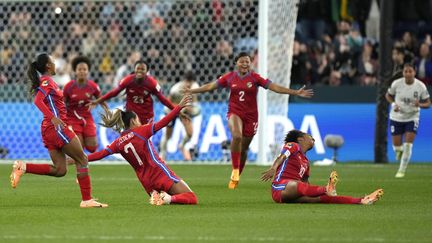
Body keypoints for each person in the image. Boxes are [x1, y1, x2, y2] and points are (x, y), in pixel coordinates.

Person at [185, 52, 314, 189]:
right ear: (236, 63)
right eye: (242, 61)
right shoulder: (229, 77)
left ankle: (237, 176)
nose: (245, 64)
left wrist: (294, 92)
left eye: (247, 61)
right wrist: (193, 91)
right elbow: (211, 86)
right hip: (234, 112)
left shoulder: (255, 78)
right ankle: (234, 170)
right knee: (236, 136)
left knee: (244, 149)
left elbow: (274, 87)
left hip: (251, 117)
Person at [10, 53, 108, 208]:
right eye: (53, 62)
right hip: (57, 128)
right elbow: (38, 100)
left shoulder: (49, 82)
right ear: (48, 66)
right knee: (82, 158)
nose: (55, 64)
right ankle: (87, 199)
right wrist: (53, 117)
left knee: (60, 170)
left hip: (50, 130)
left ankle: (23, 166)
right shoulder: (47, 81)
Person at [71, 94, 198, 205]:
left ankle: (161, 195)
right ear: (132, 121)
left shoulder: (118, 143)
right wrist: (179, 107)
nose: (139, 121)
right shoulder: (142, 131)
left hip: (146, 183)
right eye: (137, 119)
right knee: (191, 197)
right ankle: (168, 198)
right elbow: (164, 122)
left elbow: (100, 154)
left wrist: (79, 158)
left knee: (173, 198)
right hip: (160, 172)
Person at [261, 130, 384, 204]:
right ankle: (326, 188)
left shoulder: (306, 162)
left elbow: (306, 184)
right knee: (298, 185)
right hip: (280, 187)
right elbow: (282, 156)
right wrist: (273, 167)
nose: (313, 139)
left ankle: (362, 200)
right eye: (310, 136)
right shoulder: (293, 146)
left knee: (324, 198)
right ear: (300, 139)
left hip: (293, 192)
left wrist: (313, 194)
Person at [88, 60, 175, 125]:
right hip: (131, 114)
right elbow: (114, 93)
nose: (140, 71)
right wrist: (97, 101)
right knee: (129, 137)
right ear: (134, 69)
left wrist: (176, 110)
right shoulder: (128, 80)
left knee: (144, 140)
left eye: (143, 69)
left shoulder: (152, 83)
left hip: (146, 115)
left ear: (147, 71)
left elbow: (163, 99)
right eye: (138, 68)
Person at [385, 63, 431, 178]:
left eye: (410, 71)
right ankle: (398, 151)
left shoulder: (420, 86)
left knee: (408, 145)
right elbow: (388, 95)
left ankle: (401, 170)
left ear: (414, 73)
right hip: (397, 117)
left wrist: (419, 104)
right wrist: (394, 103)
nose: (408, 74)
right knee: (397, 147)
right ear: (403, 73)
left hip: (412, 117)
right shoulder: (397, 84)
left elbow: (428, 103)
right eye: (406, 71)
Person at [63, 56, 108, 153]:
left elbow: (101, 100)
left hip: (87, 117)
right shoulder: (68, 87)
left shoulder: (93, 86)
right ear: (75, 71)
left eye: (84, 69)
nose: (82, 71)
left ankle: (83, 137)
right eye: (79, 69)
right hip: (72, 118)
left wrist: (108, 112)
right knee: (78, 148)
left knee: (92, 148)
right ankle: (80, 163)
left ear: (88, 71)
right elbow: (61, 103)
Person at [159, 71, 201, 161]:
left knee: (190, 133)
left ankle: (182, 145)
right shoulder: (176, 89)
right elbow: (168, 102)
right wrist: (179, 108)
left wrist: (189, 108)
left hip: (184, 110)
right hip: (171, 110)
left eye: (191, 82)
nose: (189, 84)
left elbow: (193, 102)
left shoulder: (195, 87)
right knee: (168, 135)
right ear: (184, 81)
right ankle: (163, 154)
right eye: (187, 82)